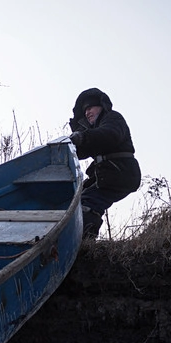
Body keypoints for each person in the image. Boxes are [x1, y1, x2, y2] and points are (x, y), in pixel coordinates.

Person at [68, 88, 141, 238]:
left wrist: (83, 136)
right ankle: (72, 238)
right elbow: (82, 152)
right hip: (107, 174)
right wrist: (71, 144)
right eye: (85, 110)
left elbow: (110, 135)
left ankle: (85, 244)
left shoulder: (113, 118)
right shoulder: (94, 132)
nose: (87, 112)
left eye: (90, 108)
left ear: (101, 106)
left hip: (121, 173)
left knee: (88, 204)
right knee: (76, 201)